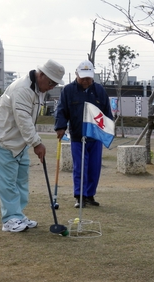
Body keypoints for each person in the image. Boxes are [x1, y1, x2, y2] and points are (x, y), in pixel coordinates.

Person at [0, 59, 65, 232]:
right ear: (41, 74)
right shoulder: (22, 89)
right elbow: (23, 119)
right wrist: (36, 143)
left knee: (21, 180)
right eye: (51, 82)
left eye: (55, 84)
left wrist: (33, 142)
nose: (52, 87)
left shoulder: (39, 89)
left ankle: (18, 215)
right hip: (2, 139)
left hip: (18, 142)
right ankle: (10, 219)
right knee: (7, 182)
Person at [54, 60, 113, 208]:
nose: (86, 81)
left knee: (94, 168)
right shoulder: (68, 90)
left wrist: (108, 129)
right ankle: (79, 196)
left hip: (95, 136)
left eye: (89, 77)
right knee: (80, 167)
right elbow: (61, 110)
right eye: (83, 77)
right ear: (76, 74)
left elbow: (107, 113)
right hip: (77, 136)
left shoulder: (99, 91)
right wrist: (60, 127)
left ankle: (90, 195)